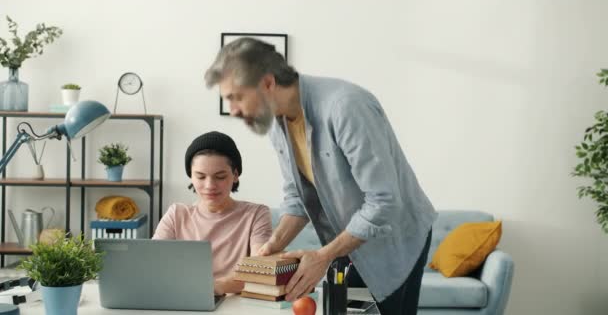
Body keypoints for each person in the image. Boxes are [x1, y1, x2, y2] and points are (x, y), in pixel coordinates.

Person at [204, 38, 438, 314]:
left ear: (268, 83)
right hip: (352, 245)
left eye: (236, 97)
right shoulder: (276, 121)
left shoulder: (346, 107)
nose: (233, 110)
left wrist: (323, 256)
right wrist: (272, 246)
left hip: (396, 241)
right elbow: (298, 197)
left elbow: (383, 201)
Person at [152, 131, 272, 295]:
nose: (210, 186)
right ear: (191, 176)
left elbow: (260, 269)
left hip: (235, 306)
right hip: (183, 300)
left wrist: (214, 288)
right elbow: (152, 264)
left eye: (220, 177)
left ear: (235, 175)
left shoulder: (256, 214)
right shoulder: (176, 214)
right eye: (200, 177)